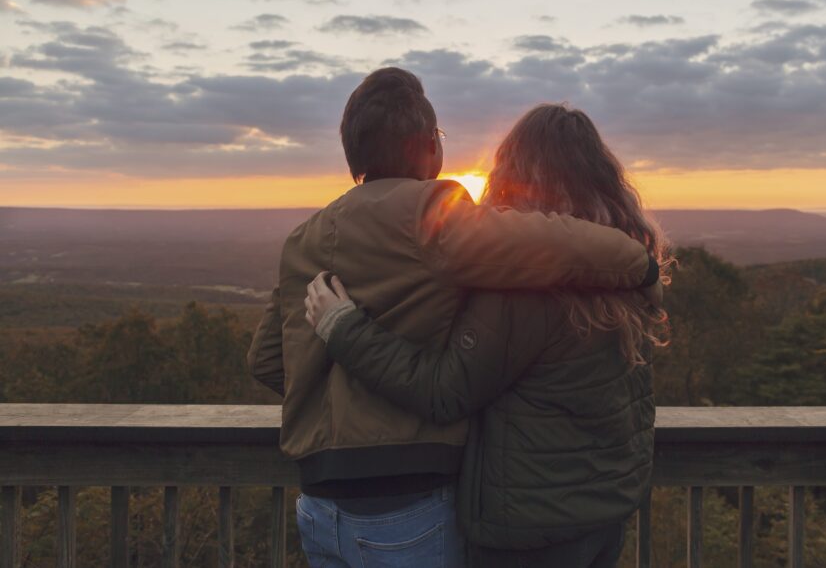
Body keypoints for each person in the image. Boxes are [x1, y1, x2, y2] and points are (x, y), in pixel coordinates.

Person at [247, 71, 662, 568]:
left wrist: (338, 400)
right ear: (429, 148)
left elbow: (270, 360)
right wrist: (639, 262)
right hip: (415, 502)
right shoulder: (431, 214)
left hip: (317, 505)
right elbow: (543, 242)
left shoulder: (302, 238)